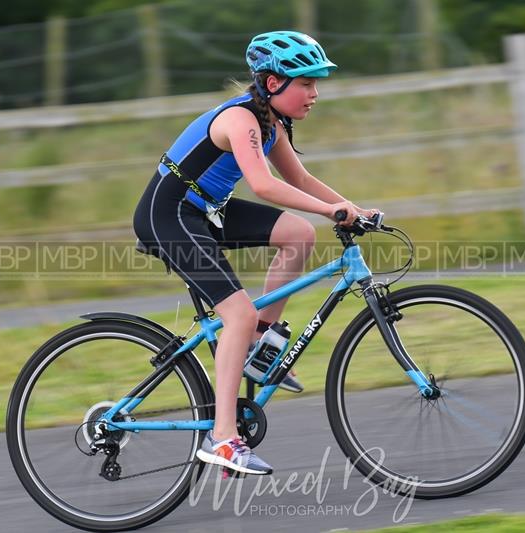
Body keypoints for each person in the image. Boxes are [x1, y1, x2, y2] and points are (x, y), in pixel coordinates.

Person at [133, 30, 379, 476]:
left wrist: (354, 210)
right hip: (167, 215)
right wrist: (332, 210)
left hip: (206, 211)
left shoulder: (272, 124)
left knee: (300, 234)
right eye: (305, 83)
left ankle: (258, 347)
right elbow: (264, 185)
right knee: (238, 314)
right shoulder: (241, 120)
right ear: (272, 85)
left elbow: (300, 180)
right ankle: (222, 438)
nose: (315, 94)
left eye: (316, 83)